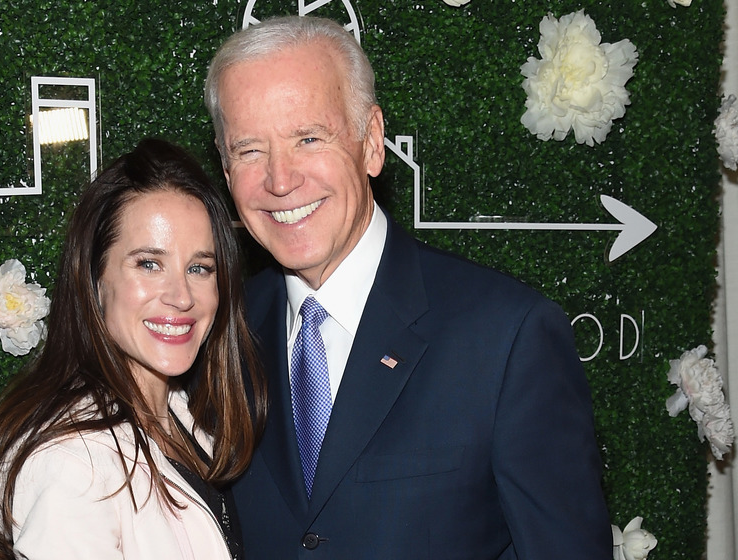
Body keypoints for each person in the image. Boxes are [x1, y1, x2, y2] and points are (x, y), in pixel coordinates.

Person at [204, 15, 611, 559]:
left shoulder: (506, 339)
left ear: (372, 143)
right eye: (250, 150)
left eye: (308, 137)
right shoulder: (220, 333)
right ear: (225, 168)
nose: (280, 179)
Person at [0, 138, 266, 560]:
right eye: (149, 264)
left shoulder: (183, 417)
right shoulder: (73, 465)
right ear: (95, 280)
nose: (181, 296)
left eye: (199, 268)